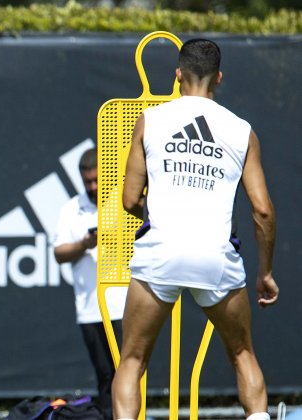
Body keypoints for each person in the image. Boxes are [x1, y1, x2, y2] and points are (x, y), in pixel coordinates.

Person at [113, 38, 279, 420]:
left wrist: (157, 218)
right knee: (242, 354)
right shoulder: (241, 131)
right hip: (215, 257)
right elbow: (264, 211)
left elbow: (128, 199)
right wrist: (265, 272)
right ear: (219, 77)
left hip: (160, 254)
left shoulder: (151, 120)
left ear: (177, 75)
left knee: (133, 360)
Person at [54, 148, 127, 420]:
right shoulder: (71, 208)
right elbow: (58, 252)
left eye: (97, 180)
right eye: (87, 181)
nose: (93, 186)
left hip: (124, 305)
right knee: (105, 376)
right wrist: (85, 244)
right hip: (90, 307)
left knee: (128, 373)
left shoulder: (124, 202)